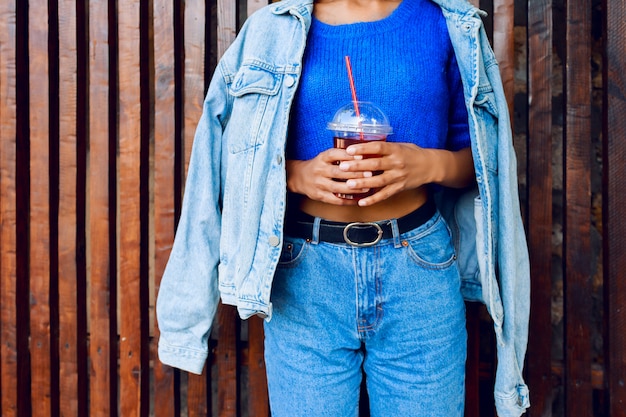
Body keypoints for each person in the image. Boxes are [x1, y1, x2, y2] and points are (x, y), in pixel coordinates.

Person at [156, 0, 531, 416]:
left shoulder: (445, 26)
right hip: (303, 279)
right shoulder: (270, 31)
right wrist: (296, 175)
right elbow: (227, 163)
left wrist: (426, 163)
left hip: (419, 273)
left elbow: (483, 162)